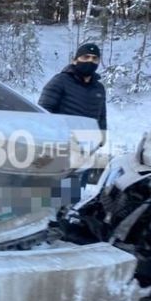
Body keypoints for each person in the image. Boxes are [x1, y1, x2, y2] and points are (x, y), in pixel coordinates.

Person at [39, 43, 107, 199]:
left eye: (94, 58)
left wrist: (102, 137)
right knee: (55, 192)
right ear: (75, 60)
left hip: (88, 146)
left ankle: (68, 214)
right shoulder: (60, 81)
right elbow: (44, 110)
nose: (90, 61)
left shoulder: (99, 88)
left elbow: (102, 114)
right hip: (63, 145)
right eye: (85, 57)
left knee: (75, 191)